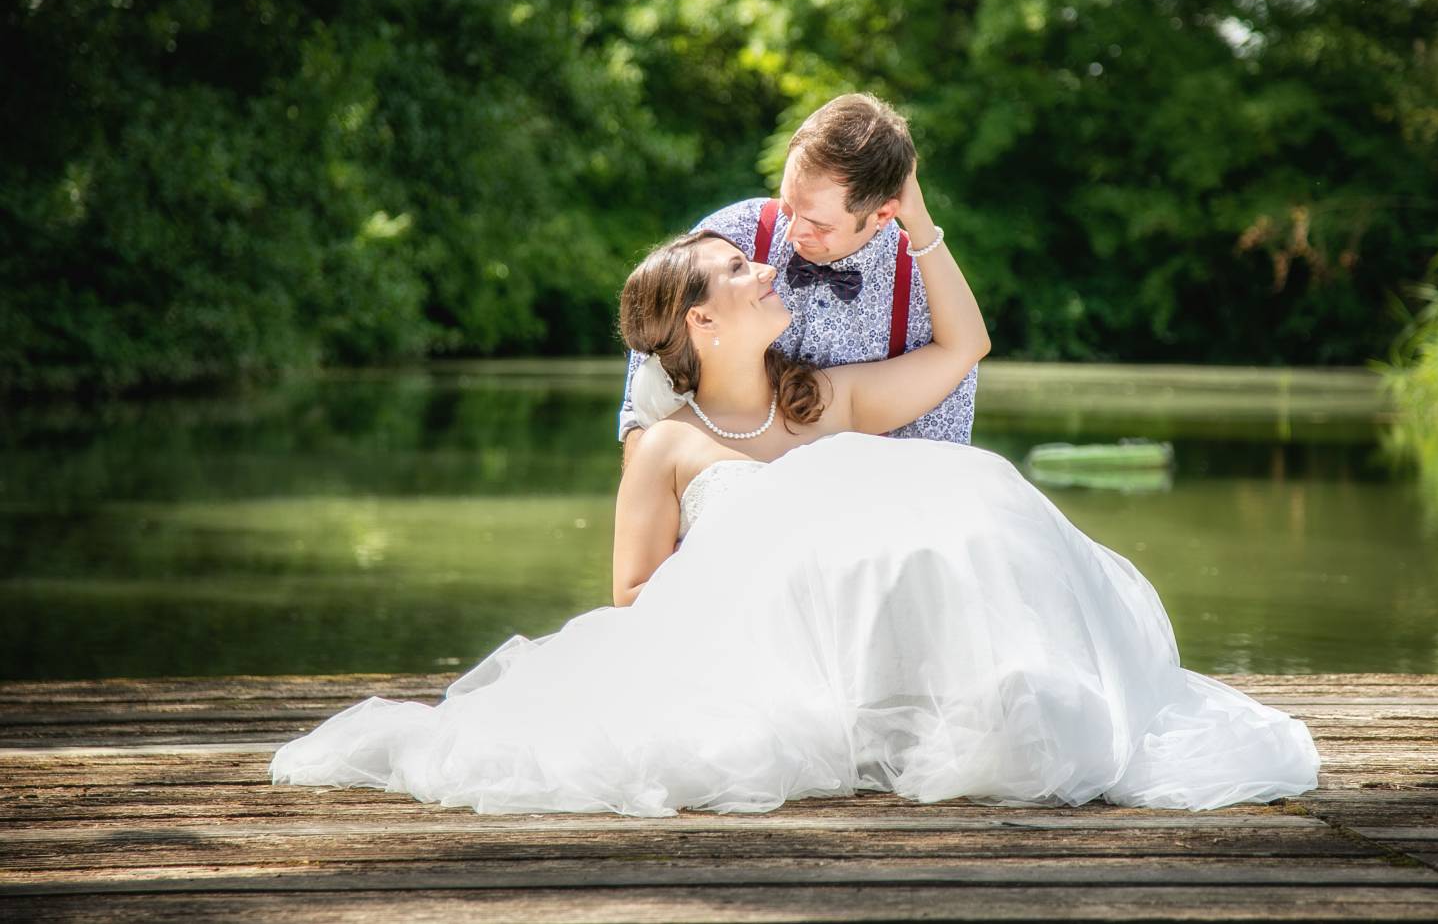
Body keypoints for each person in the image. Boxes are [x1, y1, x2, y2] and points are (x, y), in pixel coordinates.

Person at [269, 166, 1320, 816]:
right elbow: (635, 596)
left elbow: (966, 343)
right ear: (700, 323)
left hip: (862, 632)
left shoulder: (826, 399)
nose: (768, 267)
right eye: (738, 270)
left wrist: (917, 223)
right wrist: (754, 579)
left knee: (975, 491)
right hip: (757, 650)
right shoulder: (667, 451)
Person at [617, 92, 978, 471]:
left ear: (884, 213)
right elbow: (640, 411)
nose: (790, 234)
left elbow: (941, 454)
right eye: (787, 205)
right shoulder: (726, 240)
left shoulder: (929, 289)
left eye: (820, 225)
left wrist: (919, 220)